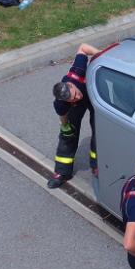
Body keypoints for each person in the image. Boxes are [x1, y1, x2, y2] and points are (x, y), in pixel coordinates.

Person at [47, 43, 101, 189]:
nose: (77, 97)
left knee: (100, 129)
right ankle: (62, 172)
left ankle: (97, 166)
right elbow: (63, 117)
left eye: (75, 94)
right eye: (72, 99)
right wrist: (65, 126)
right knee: (68, 135)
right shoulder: (61, 103)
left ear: (71, 85)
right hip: (76, 109)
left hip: (92, 95)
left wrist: (101, 55)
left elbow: (83, 47)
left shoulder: (77, 72)